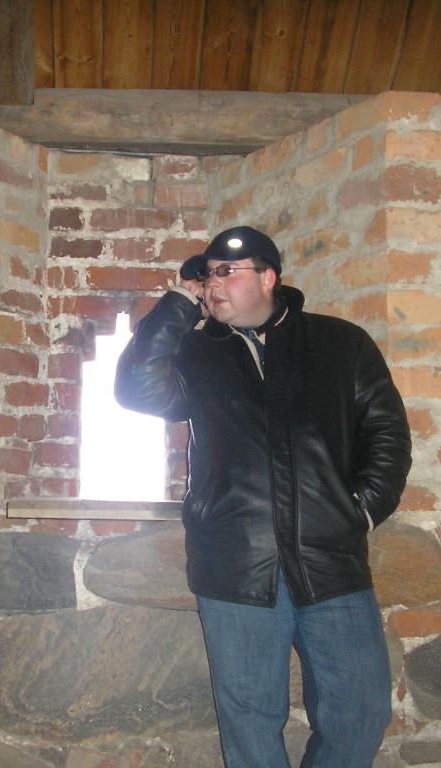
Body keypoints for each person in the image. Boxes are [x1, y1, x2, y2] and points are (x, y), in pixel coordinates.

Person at [114, 225, 412, 768]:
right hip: (236, 565)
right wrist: (179, 303)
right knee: (250, 725)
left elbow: (386, 432)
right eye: (208, 275)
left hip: (331, 563)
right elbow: (136, 389)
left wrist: (361, 513)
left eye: (227, 272)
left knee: (361, 713)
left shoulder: (339, 343)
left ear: (268, 277)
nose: (214, 284)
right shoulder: (196, 351)